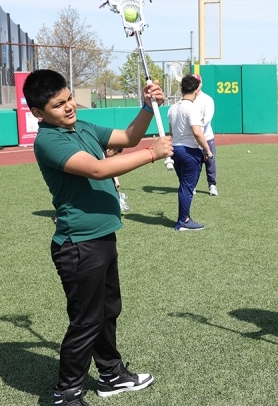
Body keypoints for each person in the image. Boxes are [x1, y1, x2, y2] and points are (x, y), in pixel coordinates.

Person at [25, 69, 172, 406]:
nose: (68, 106)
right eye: (58, 104)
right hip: (78, 245)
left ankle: (111, 375)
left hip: (103, 237)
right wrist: (153, 154)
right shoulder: (48, 141)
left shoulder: (84, 126)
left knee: (107, 311)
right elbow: (98, 169)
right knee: (86, 321)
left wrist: (148, 107)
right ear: (38, 113)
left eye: (69, 98)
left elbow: (128, 137)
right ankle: (66, 393)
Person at [167, 74, 213, 231]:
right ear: (197, 90)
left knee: (184, 186)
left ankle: (184, 218)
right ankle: (184, 221)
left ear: (181, 89)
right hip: (189, 152)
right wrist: (207, 150)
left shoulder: (172, 109)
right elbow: (197, 133)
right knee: (187, 187)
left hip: (176, 150)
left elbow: (171, 133)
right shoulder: (192, 108)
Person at [192, 74, 219, 196]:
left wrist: (196, 127)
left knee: (210, 162)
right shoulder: (187, 100)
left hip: (207, 137)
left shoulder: (207, 99)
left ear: (201, 84)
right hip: (192, 138)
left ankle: (212, 185)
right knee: (194, 163)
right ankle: (192, 186)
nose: (196, 85)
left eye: (197, 82)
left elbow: (207, 118)